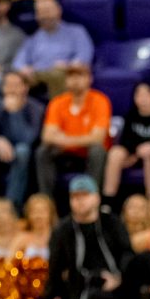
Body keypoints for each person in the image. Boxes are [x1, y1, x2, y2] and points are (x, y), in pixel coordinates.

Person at [45, 175, 146, 299]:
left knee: (147, 258)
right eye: (74, 197)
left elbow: (126, 253)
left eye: (85, 196)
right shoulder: (63, 230)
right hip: (87, 289)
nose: (79, 201)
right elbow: (55, 268)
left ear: (97, 198)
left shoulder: (112, 222)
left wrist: (119, 278)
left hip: (119, 281)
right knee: (97, 298)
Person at [0, 70, 44, 215]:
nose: (11, 89)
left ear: (25, 88)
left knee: (22, 151)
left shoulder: (36, 109)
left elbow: (29, 138)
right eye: (8, 85)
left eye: (16, 85)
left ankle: (11, 209)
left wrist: (15, 113)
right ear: (3, 88)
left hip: (22, 154)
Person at [36, 62, 110, 197]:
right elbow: (47, 136)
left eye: (80, 75)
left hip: (87, 153)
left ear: (89, 79)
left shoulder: (100, 101)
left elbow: (98, 138)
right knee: (43, 151)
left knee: (97, 151)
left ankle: (91, 199)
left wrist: (65, 139)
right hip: (64, 153)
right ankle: (47, 202)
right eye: (71, 76)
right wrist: (82, 138)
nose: (75, 80)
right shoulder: (58, 102)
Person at [102, 82, 150, 211]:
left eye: (147, 94)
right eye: (139, 94)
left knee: (148, 153)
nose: (143, 98)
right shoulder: (130, 116)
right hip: (133, 155)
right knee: (115, 153)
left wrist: (147, 148)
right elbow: (125, 141)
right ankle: (108, 201)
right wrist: (135, 152)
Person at [11, 0, 94, 97]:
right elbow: (18, 61)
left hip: (63, 73)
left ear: (58, 11)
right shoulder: (33, 37)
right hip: (37, 75)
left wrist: (69, 65)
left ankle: (57, 110)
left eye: (48, 11)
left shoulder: (76, 32)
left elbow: (84, 55)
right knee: (12, 79)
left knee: (57, 75)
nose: (45, 16)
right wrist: (23, 68)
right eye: (40, 12)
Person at [7, 192, 56, 299]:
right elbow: (8, 264)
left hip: (53, 291)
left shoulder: (58, 236)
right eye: (34, 211)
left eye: (42, 211)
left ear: (50, 213)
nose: (38, 216)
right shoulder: (21, 238)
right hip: (26, 294)